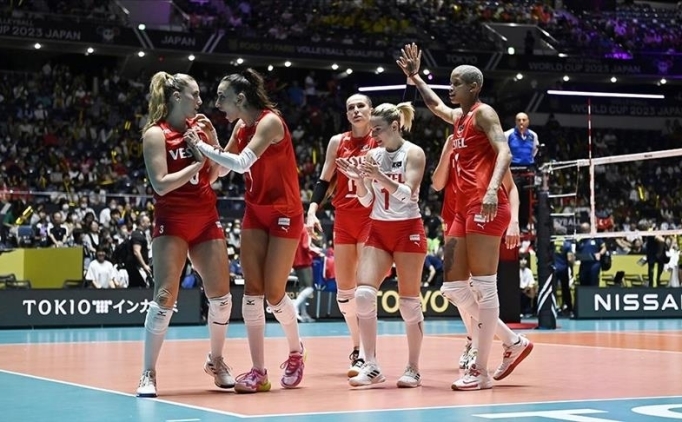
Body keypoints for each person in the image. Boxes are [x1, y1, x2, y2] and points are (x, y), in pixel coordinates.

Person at [397, 43, 532, 391]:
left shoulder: (485, 114)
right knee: (454, 287)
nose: (450, 88)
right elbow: (436, 107)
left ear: (474, 87)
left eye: (456, 83)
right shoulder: (460, 119)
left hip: (486, 205)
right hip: (461, 209)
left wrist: (492, 189)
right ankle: (513, 341)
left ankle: (480, 371)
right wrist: (416, 78)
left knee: (485, 287)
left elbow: (504, 151)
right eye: (450, 82)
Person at [186, 68, 306, 394]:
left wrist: (201, 145)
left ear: (240, 99)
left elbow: (241, 163)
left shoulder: (270, 122)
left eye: (221, 98)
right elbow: (223, 168)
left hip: (284, 213)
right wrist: (211, 142)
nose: (216, 104)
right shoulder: (240, 126)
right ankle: (259, 372)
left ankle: (296, 352)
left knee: (274, 294)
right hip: (256, 211)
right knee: (252, 294)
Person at [136, 72, 234, 398]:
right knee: (165, 297)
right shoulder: (155, 134)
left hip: (206, 219)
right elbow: (160, 184)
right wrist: (195, 163)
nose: (201, 101)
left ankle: (216, 361)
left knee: (222, 298)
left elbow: (216, 174)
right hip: (172, 221)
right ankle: (148, 372)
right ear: (177, 97)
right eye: (196, 94)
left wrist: (213, 140)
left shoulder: (199, 129)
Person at [336, 101, 426, 388]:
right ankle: (372, 365)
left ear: (395, 126)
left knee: (409, 304)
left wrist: (377, 176)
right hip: (378, 229)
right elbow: (366, 201)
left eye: (377, 129)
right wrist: (359, 181)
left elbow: (408, 194)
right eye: (372, 129)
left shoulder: (414, 152)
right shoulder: (372, 155)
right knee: (362, 295)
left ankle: (413, 368)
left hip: (408, 230)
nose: (372, 134)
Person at [432, 135, 523, 371]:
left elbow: (511, 188)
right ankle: (487, 339)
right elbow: (437, 184)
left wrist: (514, 221)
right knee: (455, 288)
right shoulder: (453, 145)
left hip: (481, 215)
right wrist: (448, 150)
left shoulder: (486, 149)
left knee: (475, 286)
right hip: (453, 217)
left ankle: (476, 346)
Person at [304, 93, 376, 377]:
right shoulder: (338, 141)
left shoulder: (379, 139)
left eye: (361, 105)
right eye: (351, 107)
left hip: (371, 217)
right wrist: (311, 211)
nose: (356, 110)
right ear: (346, 114)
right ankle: (357, 347)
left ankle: (367, 355)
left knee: (364, 291)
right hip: (344, 219)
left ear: (370, 111)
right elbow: (324, 180)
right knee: (345, 295)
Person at [292, 228, 320, 322]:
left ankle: (304, 314)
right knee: (309, 288)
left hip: (296, 262)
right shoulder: (305, 230)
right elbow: (306, 246)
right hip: (304, 262)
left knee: (303, 288)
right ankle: (294, 306)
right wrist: (318, 252)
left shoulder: (296, 228)